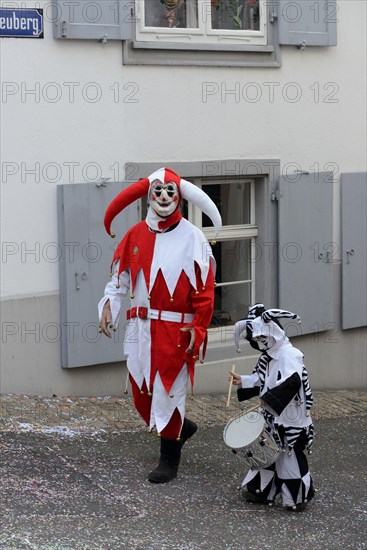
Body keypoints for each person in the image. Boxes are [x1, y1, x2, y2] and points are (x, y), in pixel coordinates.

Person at [98, 167, 221, 483]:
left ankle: (169, 458)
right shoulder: (135, 235)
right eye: (158, 191)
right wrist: (108, 307)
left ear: (179, 197)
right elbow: (119, 281)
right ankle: (181, 427)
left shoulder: (193, 238)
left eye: (170, 191)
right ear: (149, 196)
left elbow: (205, 292)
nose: (164, 197)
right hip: (140, 331)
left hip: (175, 332)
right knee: (142, 394)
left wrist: (200, 328)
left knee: (168, 392)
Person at [230, 306, 314, 511]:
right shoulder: (267, 356)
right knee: (265, 452)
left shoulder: (290, 355)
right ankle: (261, 491)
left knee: (287, 455)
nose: (261, 344)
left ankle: (295, 498)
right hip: (271, 415)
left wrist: (270, 399)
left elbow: (293, 382)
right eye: (257, 341)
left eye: (263, 339)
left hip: (289, 417)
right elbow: (262, 378)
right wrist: (243, 380)